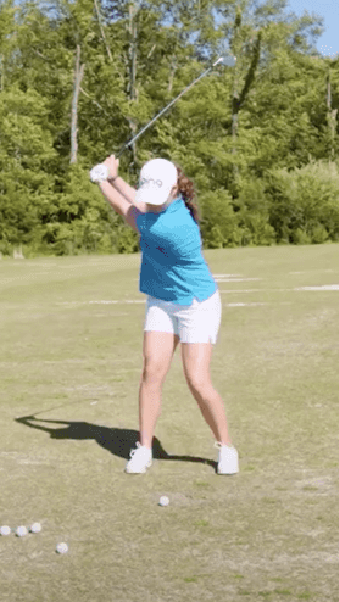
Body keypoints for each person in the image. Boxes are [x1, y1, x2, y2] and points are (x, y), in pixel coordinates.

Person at [89, 154, 239, 476]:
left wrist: (103, 180)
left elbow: (127, 209)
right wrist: (114, 178)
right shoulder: (160, 208)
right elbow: (139, 201)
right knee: (151, 372)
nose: (153, 200)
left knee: (197, 380)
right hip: (161, 301)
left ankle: (226, 447)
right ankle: (143, 448)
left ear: (174, 190)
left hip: (196, 304)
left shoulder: (172, 226)